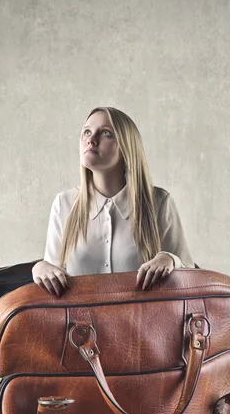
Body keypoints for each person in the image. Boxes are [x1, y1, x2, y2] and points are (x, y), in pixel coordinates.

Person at [32, 106, 196, 297]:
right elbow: (52, 279)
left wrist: (170, 260)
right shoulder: (64, 204)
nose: (91, 140)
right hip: (80, 325)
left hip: (143, 324)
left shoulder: (159, 202)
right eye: (86, 132)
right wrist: (40, 268)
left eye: (106, 133)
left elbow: (190, 277)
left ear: (126, 146)